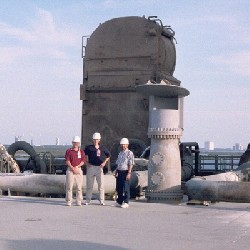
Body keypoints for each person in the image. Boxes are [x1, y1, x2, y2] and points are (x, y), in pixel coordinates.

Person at [84, 132, 111, 205]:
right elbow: (84, 155)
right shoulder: (89, 147)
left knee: (101, 185)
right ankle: (88, 200)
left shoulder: (103, 148)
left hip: (99, 168)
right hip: (91, 167)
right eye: (95, 139)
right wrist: (86, 163)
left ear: (99, 140)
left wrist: (104, 162)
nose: (96, 141)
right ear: (93, 140)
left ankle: (102, 200)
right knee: (89, 185)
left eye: (97, 139)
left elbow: (108, 156)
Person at [65, 136, 85, 206]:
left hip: (78, 169)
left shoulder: (81, 151)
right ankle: (69, 200)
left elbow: (83, 161)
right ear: (72, 143)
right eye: (74, 142)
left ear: (79, 143)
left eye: (77, 142)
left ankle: (78, 200)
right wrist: (72, 168)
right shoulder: (69, 151)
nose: (76, 144)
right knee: (69, 186)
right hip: (70, 169)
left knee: (79, 187)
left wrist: (77, 167)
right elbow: (67, 161)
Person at [114, 138, 134, 208]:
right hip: (119, 171)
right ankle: (119, 201)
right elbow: (118, 163)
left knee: (126, 187)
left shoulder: (129, 153)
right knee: (119, 187)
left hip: (125, 171)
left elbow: (131, 163)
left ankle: (126, 202)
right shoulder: (120, 153)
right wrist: (116, 171)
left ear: (127, 145)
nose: (123, 146)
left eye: (124, 144)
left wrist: (129, 173)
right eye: (122, 145)